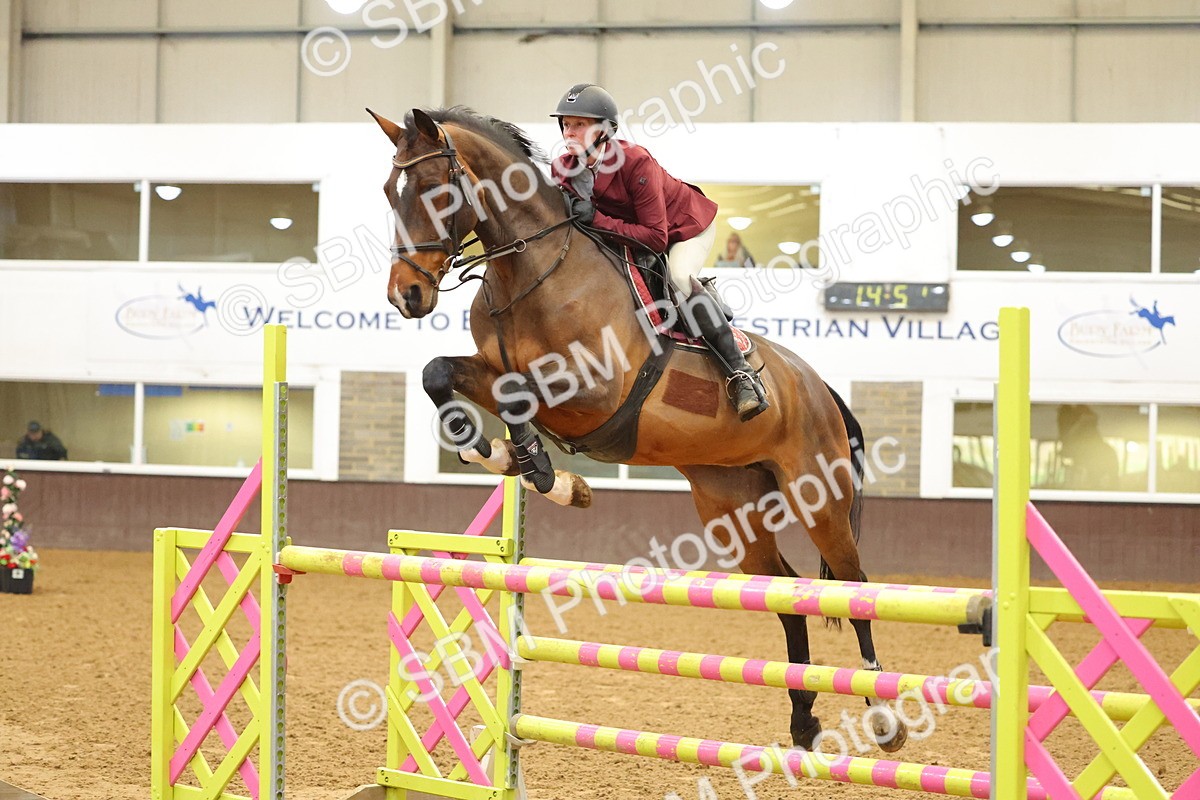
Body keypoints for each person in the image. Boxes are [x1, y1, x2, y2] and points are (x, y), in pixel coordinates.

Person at [549, 83, 769, 422]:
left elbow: (655, 237)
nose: (569, 132)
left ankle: (740, 375)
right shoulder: (563, 168)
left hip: (684, 228)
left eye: (579, 124)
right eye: (566, 124)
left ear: (604, 131)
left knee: (679, 277)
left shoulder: (635, 162)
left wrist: (598, 220)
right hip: (630, 235)